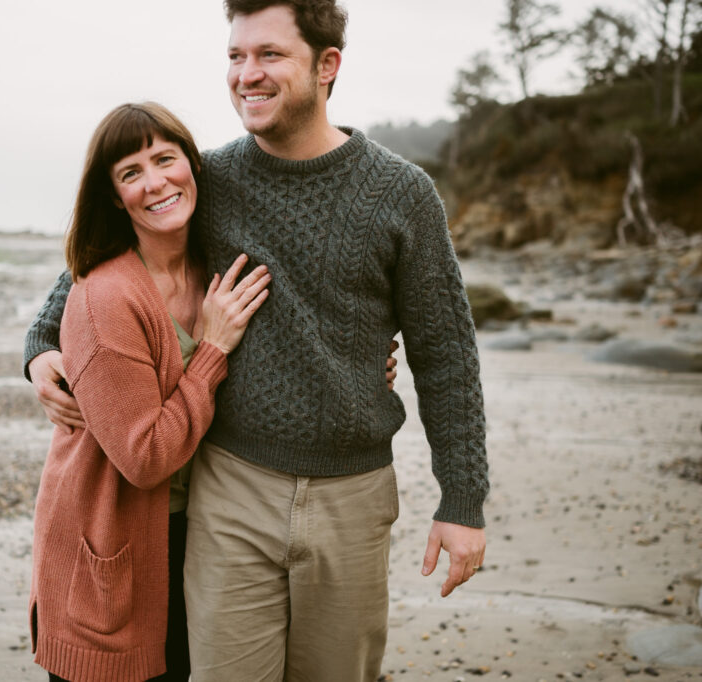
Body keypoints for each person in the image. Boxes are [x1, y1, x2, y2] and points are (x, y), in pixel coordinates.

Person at [25, 1, 489, 680]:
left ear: (326, 66)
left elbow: (445, 349)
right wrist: (40, 346)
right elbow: (99, 266)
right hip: (230, 487)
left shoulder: (403, 193)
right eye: (235, 57)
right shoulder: (211, 179)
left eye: (269, 55)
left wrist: (462, 499)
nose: (247, 75)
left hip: (353, 494)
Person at [28, 101, 271, 682]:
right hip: (112, 536)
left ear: (193, 164)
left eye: (166, 159)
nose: (155, 181)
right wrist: (211, 351)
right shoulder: (109, 293)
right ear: (113, 196)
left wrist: (371, 364)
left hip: (200, 530)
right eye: (131, 172)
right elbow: (145, 458)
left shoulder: (216, 257)